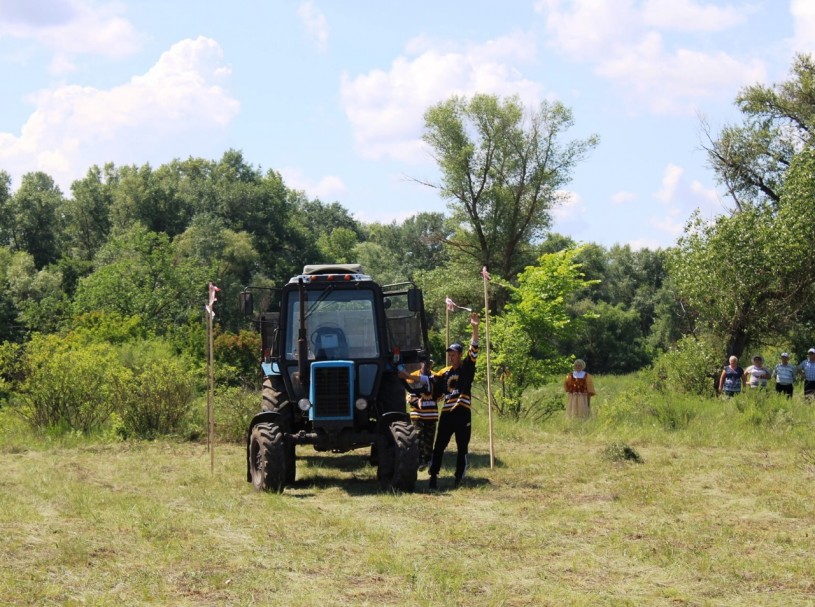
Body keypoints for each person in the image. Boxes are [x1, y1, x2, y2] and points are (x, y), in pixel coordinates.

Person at [426, 311, 479, 490]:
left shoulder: (467, 369)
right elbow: (434, 388)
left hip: (462, 413)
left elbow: (474, 350)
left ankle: (459, 478)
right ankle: (433, 476)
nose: (451, 356)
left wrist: (475, 328)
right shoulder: (445, 372)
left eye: (454, 354)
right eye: (449, 354)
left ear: (460, 354)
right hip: (447, 414)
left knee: (462, 447)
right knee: (439, 446)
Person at [404, 360, 439, 470]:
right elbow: (408, 395)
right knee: (418, 437)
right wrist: (416, 401)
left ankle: (428, 460)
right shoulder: (412, 376)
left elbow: (439, 394)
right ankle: (418, 460)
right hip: (417, 413)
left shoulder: (436, 376)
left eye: (429, 363)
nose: (427, 365)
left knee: (429, 438)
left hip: (431, 413)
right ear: (421, 364)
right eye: (424, 363)